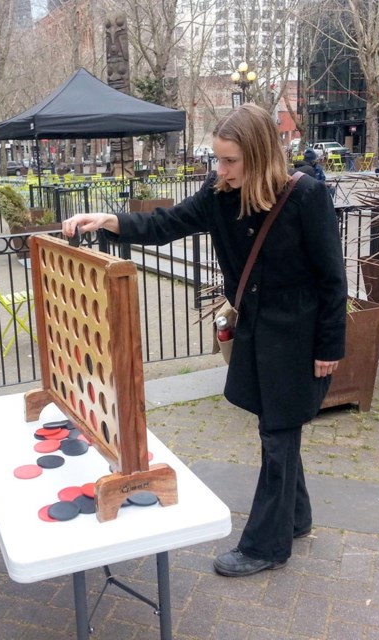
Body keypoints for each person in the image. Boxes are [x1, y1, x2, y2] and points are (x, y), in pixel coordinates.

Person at [61, 104, 347, 578]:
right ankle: (296, 517)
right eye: (218, 159)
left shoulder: (306, 197)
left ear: (257, 156)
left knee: (278, 435)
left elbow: (332, 280)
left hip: (298, 335)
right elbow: (165, 224)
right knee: (277, 427)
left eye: (230, 161)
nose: (221, 170)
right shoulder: (218, 195)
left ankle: (266, 546)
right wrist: (107, 220)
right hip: (257, 330)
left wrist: (329, 348)